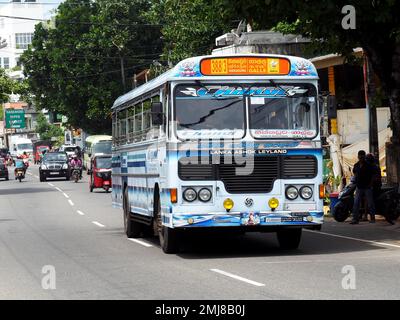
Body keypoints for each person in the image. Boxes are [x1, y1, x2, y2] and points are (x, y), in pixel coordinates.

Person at [350, 150, 377, 224]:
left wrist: (371, 184)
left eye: (362, 156)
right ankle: (355, 219)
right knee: (356, 203)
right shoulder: (356, 165)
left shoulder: (369, 165)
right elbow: (354, 173)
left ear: (364, 156)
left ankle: (372, 218)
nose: (361, 157)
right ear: (358, 156)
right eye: (360, 156)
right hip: (359, 187)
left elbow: (373, 175)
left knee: (370, 203)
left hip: (367, 187)